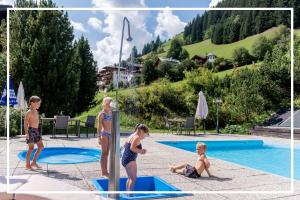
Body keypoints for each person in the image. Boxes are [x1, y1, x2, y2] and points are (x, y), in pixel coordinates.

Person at [121, 124, 149, 192]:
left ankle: (128, 194)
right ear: (141, 131)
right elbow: (132, 148)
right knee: (133, 179)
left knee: (130, 178)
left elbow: (124, 145)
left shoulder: (132, 135)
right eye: (145, 134)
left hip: (125, 159)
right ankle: (130, 195)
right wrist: (141, 151)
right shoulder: (136, 137)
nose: (145, 137)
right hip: (130, 160)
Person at [24, 96, 44, 170]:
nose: (39, 105)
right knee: (31, 148)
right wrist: (26, 133)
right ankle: (27, 165)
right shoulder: (29, 112)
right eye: (38, 103)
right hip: (31, 131)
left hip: (36, 131)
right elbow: (25, 123)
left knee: (41, 147)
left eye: (39, 104)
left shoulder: (36, 111)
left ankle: (34, 162)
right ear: (32, 103)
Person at [97, 97, 113, 177]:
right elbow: (99, 126)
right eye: (109, 103)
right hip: (105, 134)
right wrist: (99, 137)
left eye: (111, 103)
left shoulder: (111, 113)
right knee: (104, 153)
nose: (110, 104)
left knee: (107, 153)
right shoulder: (102, 114)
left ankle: (106, 171)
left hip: (111, 135)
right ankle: (103, 172)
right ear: (105, 104)